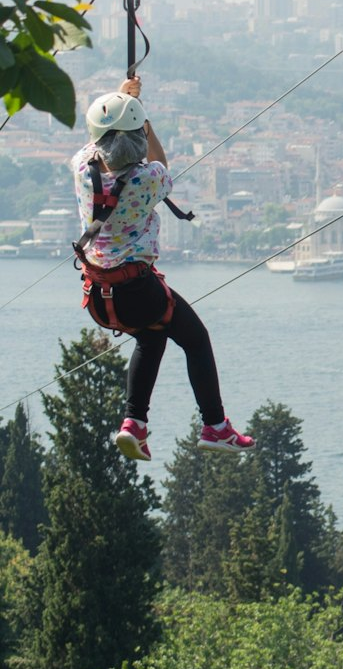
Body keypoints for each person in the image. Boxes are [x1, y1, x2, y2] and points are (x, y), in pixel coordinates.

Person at [71, 76, 254, 463]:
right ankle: (215, 426)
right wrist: (144, 120)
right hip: (138, 292)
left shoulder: (81, 171)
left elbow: (101, 138)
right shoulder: (145, 180)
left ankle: (134, 424)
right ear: (137, 136)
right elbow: (160, 164)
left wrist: (122, 101)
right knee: (196, 338)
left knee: (151, 338)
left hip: (98, 297)